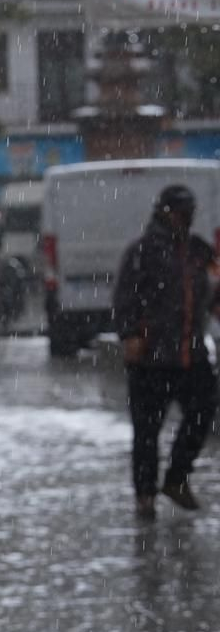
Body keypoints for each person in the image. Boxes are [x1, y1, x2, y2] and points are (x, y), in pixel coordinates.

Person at [113, 184, 220, 519]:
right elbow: (124, 298)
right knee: (147, 432)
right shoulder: (143, 251)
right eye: (180, 212)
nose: (185, 218)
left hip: (190, 355)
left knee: (202, 412)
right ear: (165, 212)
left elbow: (213, 288)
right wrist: (131, 335)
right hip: (151, 358)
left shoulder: (198, 251)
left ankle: (176, 478)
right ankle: (145, 497)